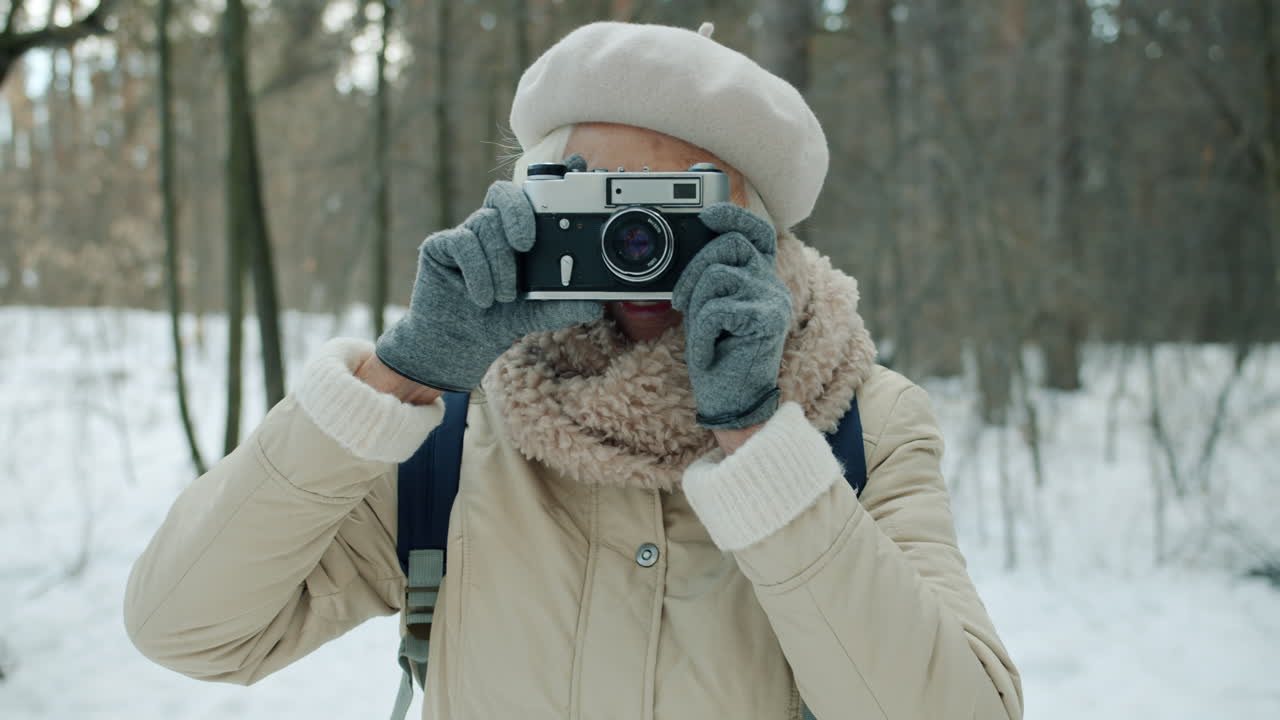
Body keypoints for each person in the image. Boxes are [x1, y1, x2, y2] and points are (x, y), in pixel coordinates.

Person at [124, 21, 1022, 720]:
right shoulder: (454, 431)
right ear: (534, 206)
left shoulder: (861, 421)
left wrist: (758, 439)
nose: (636, 249)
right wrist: (401, 378)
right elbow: (186, 629)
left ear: (765, 236)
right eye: (595, 210)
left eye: (678, 214)